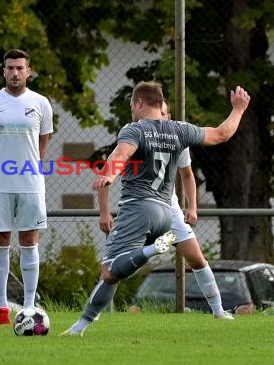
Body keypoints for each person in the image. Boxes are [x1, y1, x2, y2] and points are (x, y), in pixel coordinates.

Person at [61, 81, 250, 336]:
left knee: (109, 270)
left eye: (131, 105)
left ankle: (82, 324)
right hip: (166, 211)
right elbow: (221, 134)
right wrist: (238, 109)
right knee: (127, 269)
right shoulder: (180, 130)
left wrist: (110, 176)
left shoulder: (134, 129)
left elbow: (120, 155)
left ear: (139, 103)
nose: (131, 111)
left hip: (138, 209)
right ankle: (217, 309)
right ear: (161, 105)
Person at [97, 99, 233, 320]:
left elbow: (187, 175)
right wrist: (104, 211)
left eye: (165, 113)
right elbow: (113, 164)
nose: (161, 117)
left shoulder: (176, 138)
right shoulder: (135, 133)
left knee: (197, 259)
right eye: (158, 112)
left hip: (169, 210)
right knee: (115, 265)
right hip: (140, 208)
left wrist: (193, 208)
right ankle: (95, 314)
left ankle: (218, 310)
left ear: (168, 117)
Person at [0, 49, 54, 325]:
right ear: (4, 72)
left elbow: (42, 142)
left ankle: (30, 305)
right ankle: (1, 308)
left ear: (28, 71)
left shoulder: (41, 103)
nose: (15, 73)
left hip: (30, 183)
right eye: (10, 68)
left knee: (29, 241)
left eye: (20, 68)